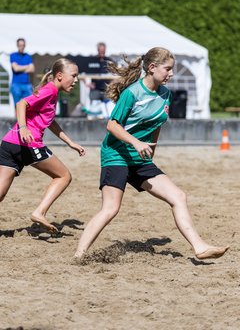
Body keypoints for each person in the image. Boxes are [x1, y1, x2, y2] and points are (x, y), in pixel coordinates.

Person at [74, 47, 229, 261]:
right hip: (116, 156)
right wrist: (137, 143)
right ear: (152, 67)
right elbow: (112, 126)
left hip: (140, 160)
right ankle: (79, 254)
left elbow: (157, 124)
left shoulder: (165, 94)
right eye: (168, 69)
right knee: (111, 209)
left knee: (178, 197)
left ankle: (199, 247)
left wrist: (151, 151)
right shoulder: (132, 93)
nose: (171, 74)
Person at [0, 58, 86, 232]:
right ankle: (39, 212)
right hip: (28, 144)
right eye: (74, 76)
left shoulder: (52, 93)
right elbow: (21, 103)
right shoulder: (50, 91)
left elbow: (50, 122)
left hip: (10, 143)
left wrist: (70, 142)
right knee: (63, 176)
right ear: (60, 75)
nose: (76, 80)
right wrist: (24, 128)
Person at [87, 42, 114, 119]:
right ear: (98, 50)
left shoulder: (109, 61)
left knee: (109, 108)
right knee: (94, 109)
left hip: (106, 89)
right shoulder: (92, 60)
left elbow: (114, 74)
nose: (102, 52)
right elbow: (85, 73)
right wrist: (87, 83)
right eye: (100, 50)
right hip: (95, 88)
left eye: (103, 50)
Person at [10, 38, 35, 106]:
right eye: (20, 45)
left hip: (27, 85)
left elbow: (32, 69)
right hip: (16, 84)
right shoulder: (13, 55)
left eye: (23, 45)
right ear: (17, 45)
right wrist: (27, 67)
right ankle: (18, 117)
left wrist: (19, 67)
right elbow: (15, 69)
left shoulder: (28, 56)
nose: (22, 47)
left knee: (28, 105)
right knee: (17, 105)